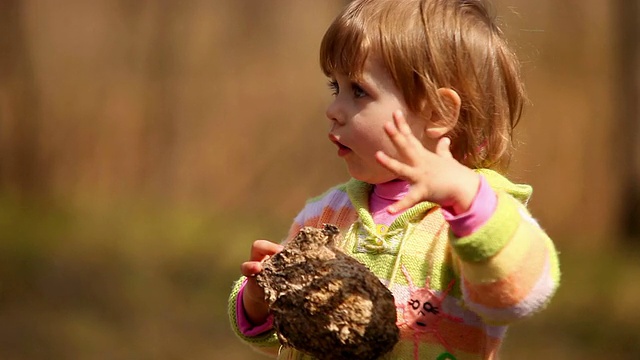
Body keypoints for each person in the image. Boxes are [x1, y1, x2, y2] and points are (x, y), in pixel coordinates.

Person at [228, 0, 560, 359]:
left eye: (358, 90)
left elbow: (520, 294)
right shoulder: (327, 214)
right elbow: (278, 333)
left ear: (437, 111)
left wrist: (467, 199)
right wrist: (258, 300)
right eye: (334, 88)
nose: (334, 110)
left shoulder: (479, 212)